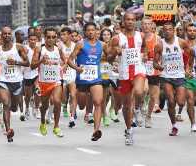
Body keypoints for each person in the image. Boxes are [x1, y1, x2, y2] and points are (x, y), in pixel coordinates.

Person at [110, 13, 147, 145]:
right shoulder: (116, 39)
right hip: (124, 73)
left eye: (133, 20)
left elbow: (144, 48)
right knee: (126, 106)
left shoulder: (141, 36)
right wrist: (116, 52)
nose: (130, 22)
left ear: (135, 21)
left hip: (138, 70)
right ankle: (129, 130)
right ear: (123, 21)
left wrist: (145, 55)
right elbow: (109, 58)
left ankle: (138, 109)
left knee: (138, 92)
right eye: (128, 20)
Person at [68, 22, 108, 141]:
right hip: (82, 79)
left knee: (98, 102)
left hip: (96, 78)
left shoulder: (102, 45)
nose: (91, 32)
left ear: (97, 31)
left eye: (93, 30)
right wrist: (77, 68)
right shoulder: (80, 44)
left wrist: (114, 58)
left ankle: (96, 130)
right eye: (88, 30)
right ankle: (85, 113)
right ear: (85, 32)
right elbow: (69, 60)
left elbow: (109, 57)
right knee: (81, 105)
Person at [0, 26, 30, 142]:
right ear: (1, 36)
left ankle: (14, 110)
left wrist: (16, 62)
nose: (6, 36)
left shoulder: (18, 47)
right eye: (4, 34)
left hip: (16, 81)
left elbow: (27, 63)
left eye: (8, 34)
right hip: (3, 81)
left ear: (11, 35)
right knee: (6, 104)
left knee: (14, 107)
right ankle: (8, 131)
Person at [153, 21, 191, 136]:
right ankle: (174, 125)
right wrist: (159, 66)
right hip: (166, 76)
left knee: (180, 102)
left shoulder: (181, 42)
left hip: (179, 75)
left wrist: (188, 68)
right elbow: (154, 63)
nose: (168, 31)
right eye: (165, 30)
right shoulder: (159, 45)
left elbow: (190, 56)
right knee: (170, 100)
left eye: (170, 29)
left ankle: (177, 97)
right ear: (163, 31)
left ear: (173, 30)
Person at [31, 27, 65, 138]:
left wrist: (63, 67)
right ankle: (42, 122)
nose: (51, 39)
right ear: (45, 38)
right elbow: (32, 65)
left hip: (56, 81)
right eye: (48, 37)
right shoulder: (39, 49)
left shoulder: (58, 49)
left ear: (56, 38)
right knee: (44, 106)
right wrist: (41, 60)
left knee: (57, 101)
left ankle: (56, 126)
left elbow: (65, 61)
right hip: (43, 82)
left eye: (53, 37)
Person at [141, 17, 160, 128]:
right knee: (144, 89)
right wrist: (141, 56)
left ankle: (148, 116)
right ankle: (141, 104)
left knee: (153, 97)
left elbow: (162, 52)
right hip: (142, 67)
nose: (146, 26)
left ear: (152, 25)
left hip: (154, 68)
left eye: (149, 24)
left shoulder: (157, 39)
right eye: (144, 24)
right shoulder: (138, 38)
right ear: (141, 26)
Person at [59, 27, 78, 128]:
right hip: (61, 74)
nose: (63, 37)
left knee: (73, 95)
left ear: (70, 35)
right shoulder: (59, 46)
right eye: (61, 35)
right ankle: (64, 105)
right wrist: (63, 64)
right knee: (63, 97)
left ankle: (72, 117)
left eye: (65, 34)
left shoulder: (76, 46)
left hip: (72, 74)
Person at [22, 31, 40, 120]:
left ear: (37, 40)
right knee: (28, 96)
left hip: (37, 74)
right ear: (28, 40)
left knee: (38, 91)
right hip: (27, 74)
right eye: (31, 40)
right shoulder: (25, 49)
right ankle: (27, 109)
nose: (33, 41)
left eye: (34, 40)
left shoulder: (39, 49)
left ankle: (36, 109)